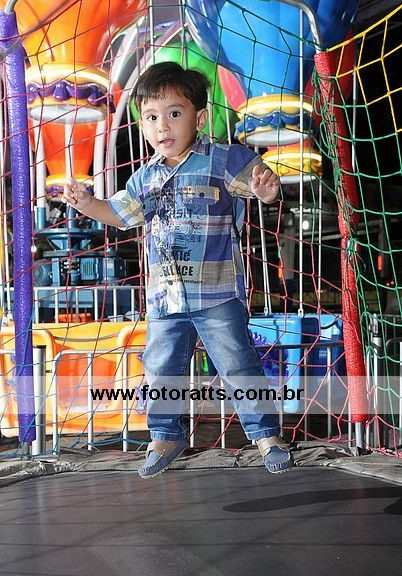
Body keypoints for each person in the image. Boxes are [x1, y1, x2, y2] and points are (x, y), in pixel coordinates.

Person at [63, 61, 294, 478]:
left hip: (216, 294)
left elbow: (259, 183)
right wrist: (87, 204)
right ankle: (165, 435)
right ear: (142, 125)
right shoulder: (144, 178)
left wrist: (265, 189)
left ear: (199, 118)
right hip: (165, 298)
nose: (162, 126)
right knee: (160, 368)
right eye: (151, 117)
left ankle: (266, 435)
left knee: (237, 364)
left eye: (173, 113)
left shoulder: (223, 159)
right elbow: (117, 214)